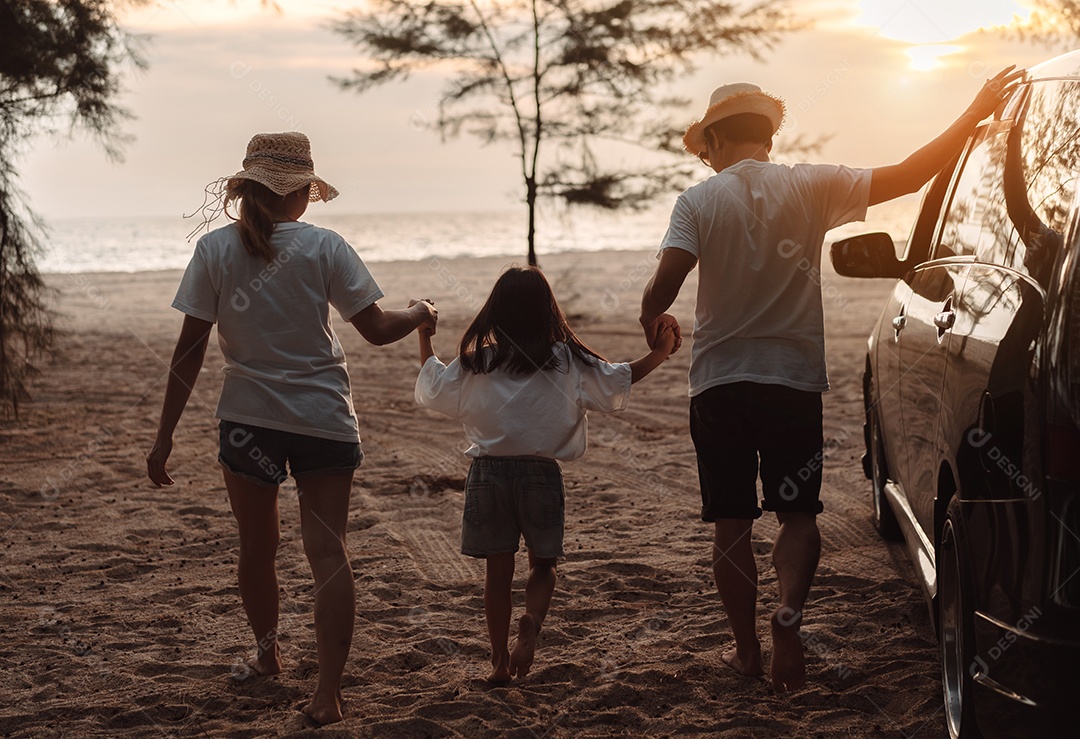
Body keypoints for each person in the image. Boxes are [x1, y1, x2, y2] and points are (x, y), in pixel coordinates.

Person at [639, 68, 1022, 693]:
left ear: (712, 143)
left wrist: (651, 316)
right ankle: (787, 623)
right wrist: (975, 109)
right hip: (792, 383)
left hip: (720, 385)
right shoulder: (811, 186)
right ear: (766, 135)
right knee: (798, 515)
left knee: (731, 523)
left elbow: (665, 286)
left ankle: (746, 653)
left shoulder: (697, 201)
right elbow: (911, 173)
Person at [145, 132, 437, 725]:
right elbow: (378, 330)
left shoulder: (215, 251)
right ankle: (327, 695)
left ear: (246, 188)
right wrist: (421, 313)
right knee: (328, 552)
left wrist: (164, 433)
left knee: (258, 548)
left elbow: (189, 353)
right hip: (323, 419)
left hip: (248, 420)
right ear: (303, 193)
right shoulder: (326, 246)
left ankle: (268, 653)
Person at [414, 266, 677, 684]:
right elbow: (619, 378)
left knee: (496, 574)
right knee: (543, 566)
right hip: (540, 474)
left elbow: (432, 386)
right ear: (548, 311)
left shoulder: (478, 361)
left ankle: (499, 663)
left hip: (487, 474)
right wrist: (661, 352)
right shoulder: (566, 360)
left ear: (495, 311)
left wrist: (424, 332)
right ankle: (532, 621)